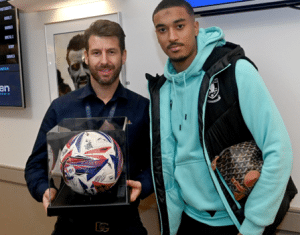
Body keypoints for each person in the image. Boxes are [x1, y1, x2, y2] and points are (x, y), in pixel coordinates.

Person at [146, 0, 297, 235]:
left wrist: (253, 227)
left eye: (179, 26)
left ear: (195, 28)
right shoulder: (163, 90)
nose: (172, 37)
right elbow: (168, 167)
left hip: (237, 222)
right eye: (162, 29)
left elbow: (279, 149)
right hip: (188, 221)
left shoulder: (235, 71)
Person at [25, 19, 152, 235]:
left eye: (111, 52)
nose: (104, 60)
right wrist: (44, 190)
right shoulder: (61, 107)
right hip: (71, 228)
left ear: (124, 55)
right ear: (86, 56)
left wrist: (143, 185)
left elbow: (157, 165)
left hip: (125, 226)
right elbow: (35, 166)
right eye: (96, 53)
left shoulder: (142, 108)